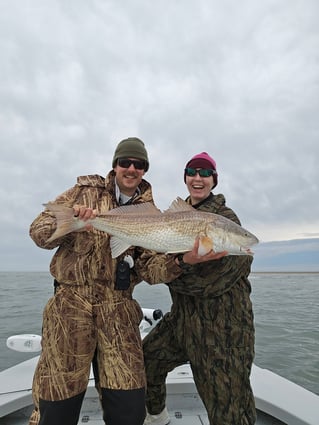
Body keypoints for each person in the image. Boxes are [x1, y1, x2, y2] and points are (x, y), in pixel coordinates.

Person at [28, 137, 189, 425]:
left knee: (129, 409)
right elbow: (39, 232)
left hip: (118, 310)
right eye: (124, 162)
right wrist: (71, 222)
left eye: (138, 164)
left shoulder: (150, 213)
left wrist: (181, 261)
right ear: (114, 166)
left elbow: (151, 270)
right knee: (57, 406)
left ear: (144, 170)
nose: (131, 168)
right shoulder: (83, 192)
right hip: (70, 307)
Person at [143, 152, 257, 425]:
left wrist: (171, 271)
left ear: (214, 181)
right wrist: (178, 262)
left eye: (205, 174)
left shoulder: (225, 219)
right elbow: (153, 263)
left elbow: (211, 283)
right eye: (192, 172)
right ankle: (156, 417)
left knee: (228, 409)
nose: (198, 178)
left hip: (223, 331)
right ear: (185, 178)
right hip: (182, 323)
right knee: (145, 362)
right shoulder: (173, 221)